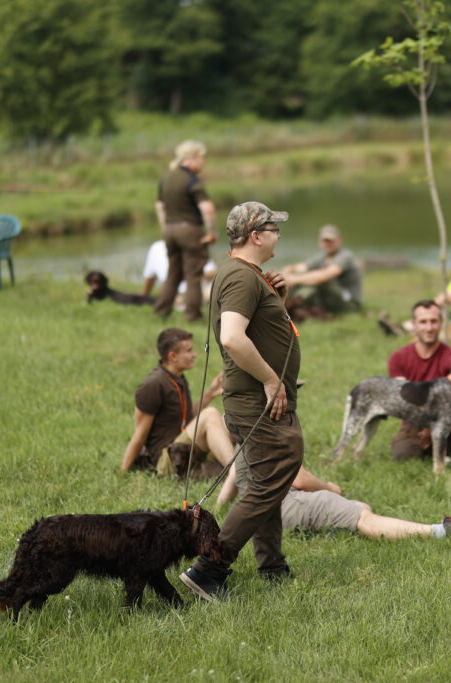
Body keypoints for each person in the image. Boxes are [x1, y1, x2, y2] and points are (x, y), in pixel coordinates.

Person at [180, 200, 303, 601]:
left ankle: (273, 566)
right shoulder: (241, 278)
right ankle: (209, 568)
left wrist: (277, 301)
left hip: (254, 399)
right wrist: (271, 381)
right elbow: (233, 337)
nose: (278, 235)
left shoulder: (244, 274)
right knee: (272, 475)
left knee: (263, 481)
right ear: (256, 236)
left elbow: (256, 329)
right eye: (274, 228)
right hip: (257, 400)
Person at [120, 328, 237, 505]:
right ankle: (236, 472)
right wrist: (123, 473)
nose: (195, 354)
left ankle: (245, 465)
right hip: (166, 459)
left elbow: (187, 418)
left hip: (184, 450)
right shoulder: (152, 385)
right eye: (189, 350)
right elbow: (140, 434)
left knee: (229, 419)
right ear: (173, 356)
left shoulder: (177, 378)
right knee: (211, 414)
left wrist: (211, 393)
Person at [276, 466, 451, 539]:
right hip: (289, 502)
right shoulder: (271, 427)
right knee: (364, 518)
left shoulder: (245, 426)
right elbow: (300, 480)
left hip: (266, 510)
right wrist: (330, 488)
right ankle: (445, 530)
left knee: (359, 506)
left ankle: (326, 534)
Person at [387, 299, 451, 460]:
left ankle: (447, 448)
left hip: (446, 422)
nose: (429, 328)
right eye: (423, 322)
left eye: (434, 322)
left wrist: (433, 429)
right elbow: (402, 400)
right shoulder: (398, 358)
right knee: (403, 455)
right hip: (414, 421)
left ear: (441, 323)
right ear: (414, 324)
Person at [153, 140, 217, 322]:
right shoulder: (192, 180)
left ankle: (161, 311)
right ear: (192, 158)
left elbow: (160, 206)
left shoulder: (166, 178)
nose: (203, 162)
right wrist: (212, 232)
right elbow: (208, 208)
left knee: (173, 273)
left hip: (170, 231)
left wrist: (165, 227)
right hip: (190, 230)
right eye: (202, 158)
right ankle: (193, 315)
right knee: (193, 275)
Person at [281, 224, 362, 316]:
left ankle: (294, 303)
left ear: (339, 240)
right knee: (304, 277)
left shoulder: (345, 256)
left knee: (320, 280)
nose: (327, 243)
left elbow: (325, 276)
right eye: (325, 240)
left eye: (331, 241)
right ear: (320, 241)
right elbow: (302, 267)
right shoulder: (323, 256)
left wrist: (294, 279)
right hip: (330, 300)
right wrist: (289, 270)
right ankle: (289, 303)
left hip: (349, 303)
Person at [141, 238, 217, 308]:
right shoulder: (157, 247)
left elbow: (212, 272)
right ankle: (184, 299)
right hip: (180, 294)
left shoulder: (193, 243)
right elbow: (150, 278)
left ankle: (184, 299)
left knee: (212, 289)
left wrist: (195, 277)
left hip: (193, 290)